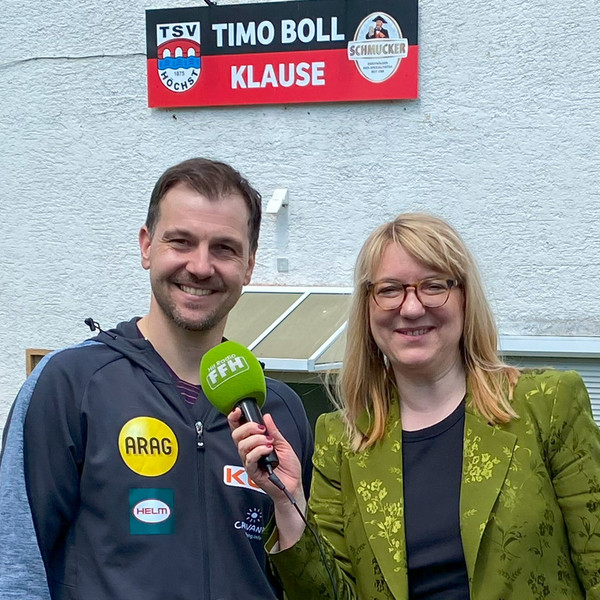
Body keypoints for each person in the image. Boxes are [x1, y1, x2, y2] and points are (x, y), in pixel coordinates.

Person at [230, 213, 600, 600]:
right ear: (368, 307)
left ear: (464, 298)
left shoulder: (547, 403)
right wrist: (288, 502)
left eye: (433, 286)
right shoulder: (341, 440)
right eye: (389, 289)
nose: (410, 308)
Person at [0, 157, 313, 600]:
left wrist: (289, 505)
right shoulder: (71, 384)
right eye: (181, 241)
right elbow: (17, 564)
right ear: (147, 246)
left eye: (224, 248)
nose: (201, 267)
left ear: (249, 264)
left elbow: (301, 580)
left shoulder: (278, 411)